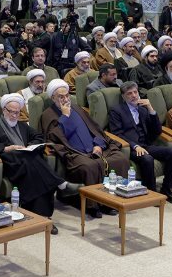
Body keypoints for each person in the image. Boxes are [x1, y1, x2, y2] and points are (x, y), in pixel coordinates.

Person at [0, 94, 80, 233]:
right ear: (4, 110)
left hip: (28, 163)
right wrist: (7, 148)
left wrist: (29, 145)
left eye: (17, 112)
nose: (14, 115)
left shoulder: (22, 126)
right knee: (39, 167)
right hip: (12, 164)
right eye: (11, 112)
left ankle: (43, 218)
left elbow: (38, 137)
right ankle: (60, 185)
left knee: (38, 173)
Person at [40, 79, 130, 217]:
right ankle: (92, 204)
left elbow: (95, 129)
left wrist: (98, 145)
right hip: (74, 153)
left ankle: (112, 200)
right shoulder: (48, 114)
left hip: (95, 148)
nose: (65, 99)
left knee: (120, 159)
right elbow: (53, 137)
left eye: (67, 95)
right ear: (53, 98)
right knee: (89, 166)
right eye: (61, 97)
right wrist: (64, 116)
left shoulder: (77, 108)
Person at [107, 82, 172, 204]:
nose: (134, 96)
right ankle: (151, 192)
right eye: (129, 93)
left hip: (146, 145)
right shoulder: (116, 111)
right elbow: (117, 134)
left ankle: (166, 189)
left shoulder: (143, 109)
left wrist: (151, 109)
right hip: (129, 148)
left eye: (135, 92)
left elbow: (157, 131)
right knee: (147, 159)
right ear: (123, 96)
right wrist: (135, 146)